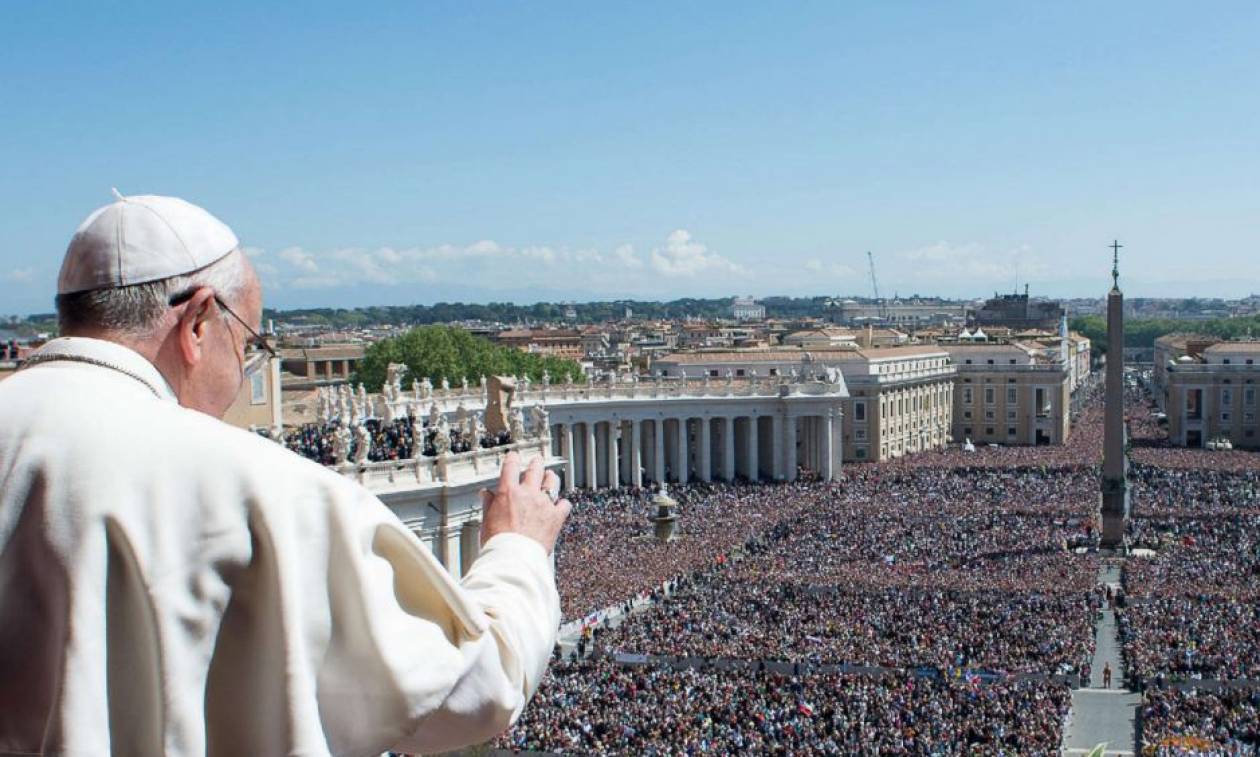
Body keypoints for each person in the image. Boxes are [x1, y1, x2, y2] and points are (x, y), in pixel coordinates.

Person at [0, 193, 571, 756]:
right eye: (248, 344)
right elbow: (473, 687)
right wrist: (517, 549)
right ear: (198, 322)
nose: (243, 371)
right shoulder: (267, 491)